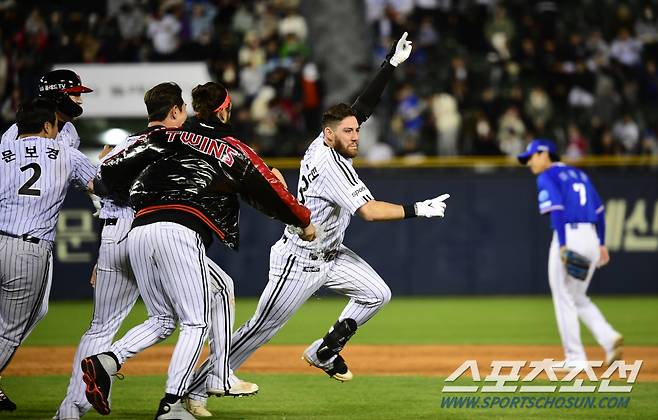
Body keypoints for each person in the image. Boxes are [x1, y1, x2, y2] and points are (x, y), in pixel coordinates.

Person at [184, 32, 450, 417]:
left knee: (377, 293)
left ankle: (324, 350)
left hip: (331, 252)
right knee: (260, 330)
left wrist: (389, 65)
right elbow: (371, 212)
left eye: (357, 130)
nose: (355, 135)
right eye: (348, 131)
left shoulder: (324, 140)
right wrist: (417, 210)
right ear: (330, 134)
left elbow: (361, 107)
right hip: (300, 257)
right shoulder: (331, 166)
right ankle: (195, 389)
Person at [81, 82, 315, 419]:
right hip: (178, 230)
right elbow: (263, 185)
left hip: (138, 230)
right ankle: (173, 404)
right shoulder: (225, 146)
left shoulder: (156, 138)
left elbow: (103, 178)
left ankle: (108, 360)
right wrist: (303, 220)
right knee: (195, 324)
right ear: (222, 109)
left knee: (169, 316)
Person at [53, 82, 236, 420]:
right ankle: (208, 381)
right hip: (150, 231)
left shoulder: (127, 143)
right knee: (196, 306)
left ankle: (70, 409)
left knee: (102, 327)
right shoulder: (176, 144)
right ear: (176, 112)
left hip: (114, 235)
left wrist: (102, 254)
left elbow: (100, 185)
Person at [0, 98, 97, 412]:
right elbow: (102, 185)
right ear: (47, 126)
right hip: (27, 250)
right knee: (10, 332)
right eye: (56, 126)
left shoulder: (2, 151)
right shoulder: (66, 153)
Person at [517, 138, 623, 369]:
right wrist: (602, 243)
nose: (529, 163)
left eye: (532, 157)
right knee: (578, 297)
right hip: (592, 239)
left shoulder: (547, 176)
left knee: (563, 295)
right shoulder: (580, 175)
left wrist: (563, 245)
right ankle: (609, 338)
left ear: (545, 154)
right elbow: (600, 211)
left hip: (569, 236)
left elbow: (556, 209)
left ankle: (575, 358)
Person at [1, 69, 93, 149]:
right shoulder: (21, 129)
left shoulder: (70, 130)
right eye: (75, 94)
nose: (80, 101)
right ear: (58, 96)